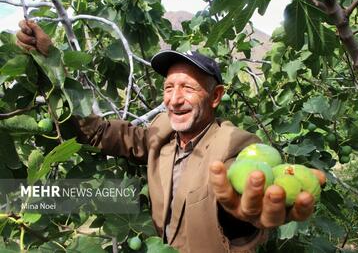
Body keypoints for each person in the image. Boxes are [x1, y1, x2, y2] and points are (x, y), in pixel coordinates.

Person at [16, 20, 325, 253]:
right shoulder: (161, 134)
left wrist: (246, 214)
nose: (174, 99)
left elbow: (248, 192)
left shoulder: (236, 144)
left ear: (215, 96)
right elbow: (97, 132)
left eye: (188, 88)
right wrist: (53, 59)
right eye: (168, 87)